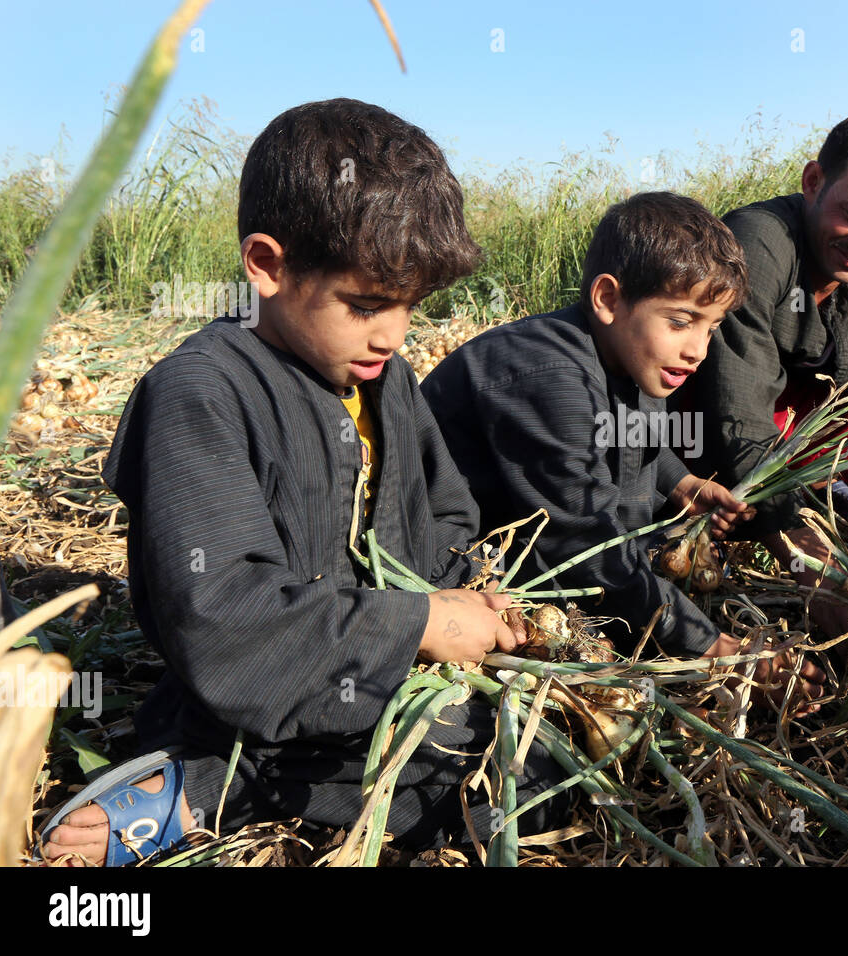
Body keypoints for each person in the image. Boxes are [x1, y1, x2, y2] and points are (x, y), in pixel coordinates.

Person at [41, 99, 570, 867]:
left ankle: (235, 784)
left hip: (387, 682)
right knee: (492, 772)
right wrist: (416, 624)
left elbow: (448, 518)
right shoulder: (201, 392)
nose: (393, 333)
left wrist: (473, 598)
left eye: (410, 307)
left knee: (541, 751)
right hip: (257, 692)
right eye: (366, 305)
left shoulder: (386, 381)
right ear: (268, 264)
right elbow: (222, 615)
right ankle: (211, 784)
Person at [422, 192, 826, 713]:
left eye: (713, 326)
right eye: (681, 321)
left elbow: (637, 440)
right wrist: (716, 649)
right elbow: (584, 541)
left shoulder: (630, 356)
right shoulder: (550, 380)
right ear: (609, 300)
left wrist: (681, 484)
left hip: (569, 541)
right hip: (472, 562)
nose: (698, 350)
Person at [678, 111, 848, 637]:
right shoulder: (757, 246)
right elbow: (738, 416)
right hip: (694, 443)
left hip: (799, 450)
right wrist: (806, 559)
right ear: (813, 181)